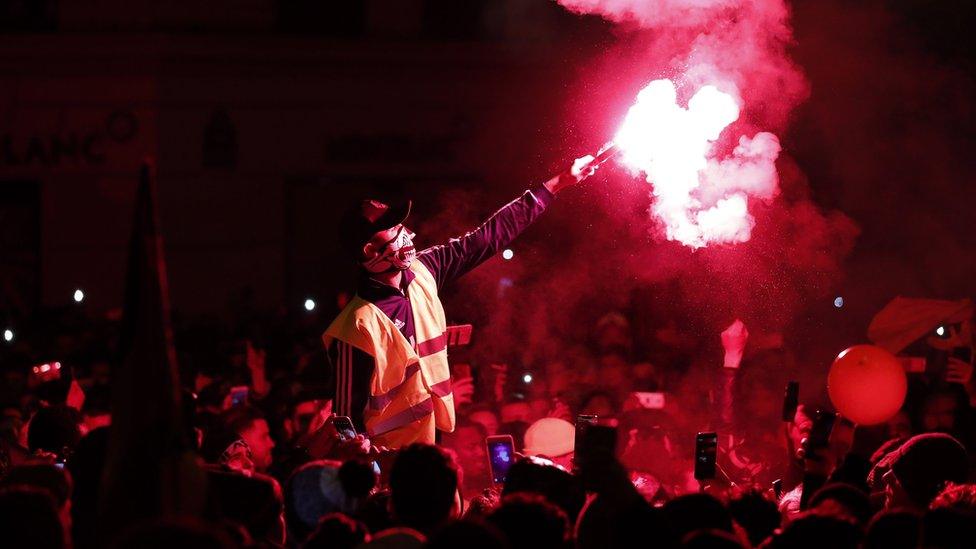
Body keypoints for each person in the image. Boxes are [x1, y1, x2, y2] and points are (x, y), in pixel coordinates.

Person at [324, 156, 600, 447]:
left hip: (433, 446)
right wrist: (363, 458)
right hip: (389, 461)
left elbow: (486, 238)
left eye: (400, 225)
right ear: (370, 251)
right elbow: (344, 420)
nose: (404, 233)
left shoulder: (423, 271)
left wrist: (557, 184)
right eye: (393, 230)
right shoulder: (355, 326)